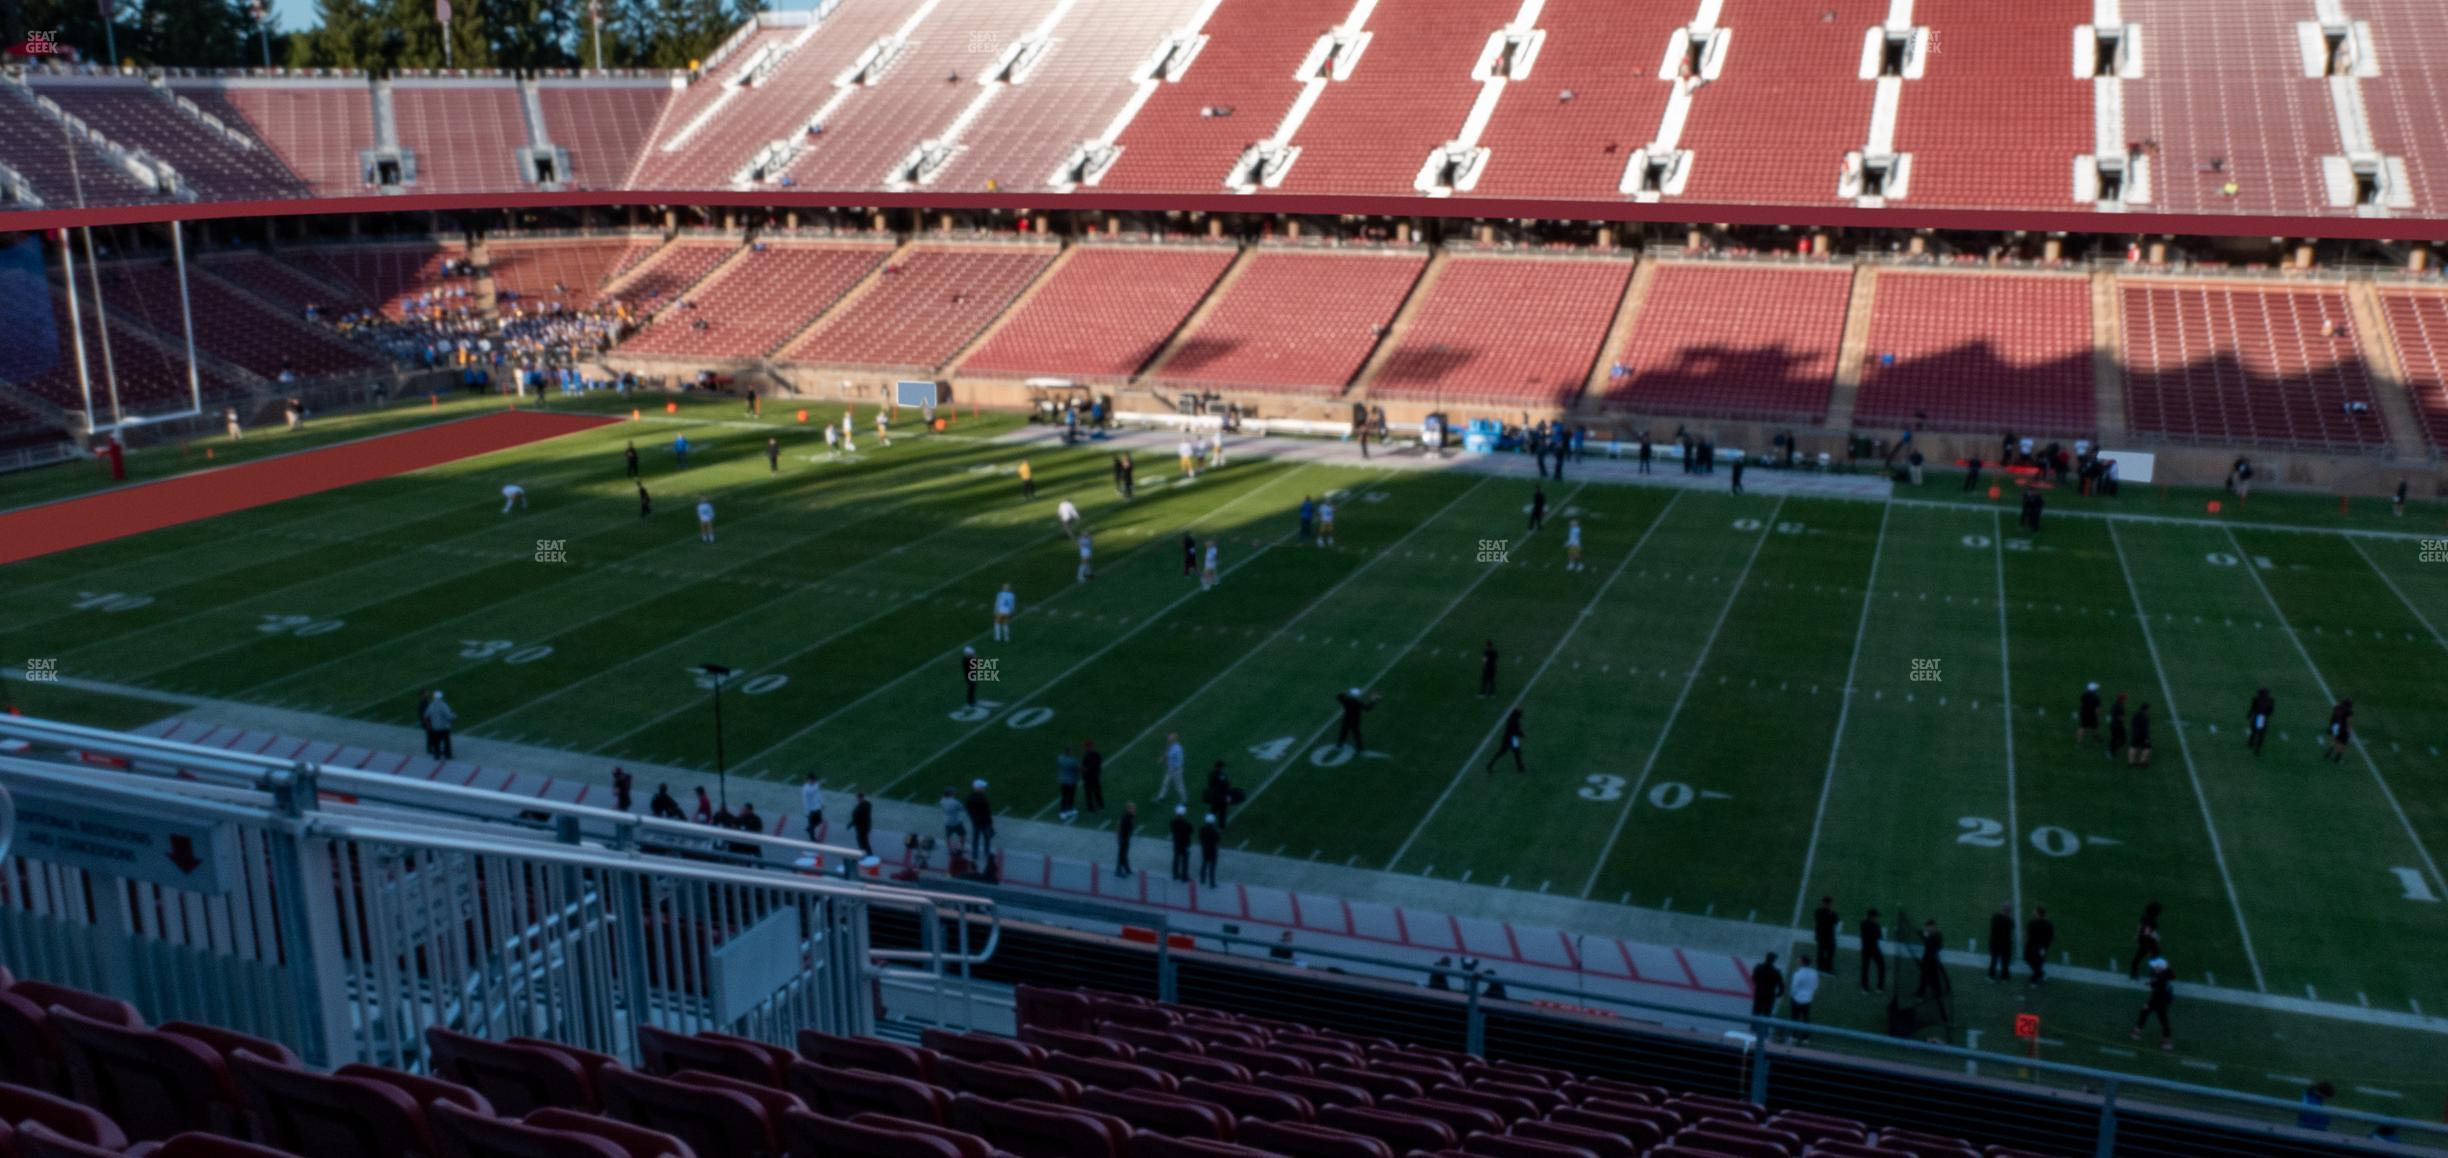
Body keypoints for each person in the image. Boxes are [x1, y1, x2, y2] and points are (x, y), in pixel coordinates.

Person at [2133, 956, 2175, 1049]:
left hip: (2161, 1001)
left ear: (2160, 968)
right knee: (2147, 1013)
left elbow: (2157, 992)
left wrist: (2149, 1003)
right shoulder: (2163, 975)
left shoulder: (2162, 979)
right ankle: (2137, 1030)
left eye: (2156, 966)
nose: (2153, 967)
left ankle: (2167, 1041)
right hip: (2162, 999)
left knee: (2161, 1018)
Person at [1335, 688, 1376, 753]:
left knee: (1343, 733)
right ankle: (1361, 748)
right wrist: (1373, 700)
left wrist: (1344, 692)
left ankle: (1339, 745)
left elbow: (1338, 697)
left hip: (1346, 720)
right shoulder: (1358, 703)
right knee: (1356, 735)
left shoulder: (1346, 701)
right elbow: (1368, 708)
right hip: (1355, 721)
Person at [1485, 708, 1526, 773]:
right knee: (1515, 752)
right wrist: (1522, 734)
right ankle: (1520, 767)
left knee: (1504, 752)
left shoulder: (1511, 720)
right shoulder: (1515, 721)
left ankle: (1490, 764)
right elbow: (1516, 731)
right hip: (1512, 739)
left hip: (1508, 738)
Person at [1788, 957, 1819, 1040]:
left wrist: (1792, 995)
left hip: (1797, 999)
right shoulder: (1814, 973)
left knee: (1794, 1017)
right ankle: (1806, 1037)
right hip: (1808, 999)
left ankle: (1793, 1035)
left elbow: (1794, 988)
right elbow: (1815, 986)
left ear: (1802, 963)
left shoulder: (1798, 974)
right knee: (1806, 1018)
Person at [965, 780, 995, 865]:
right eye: (982, 787)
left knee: (975, 839)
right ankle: (986, 854)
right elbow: (987, 812)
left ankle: (975, 855)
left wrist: (973, 818)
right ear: (978, 788)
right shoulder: (983, 798)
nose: (984, 789)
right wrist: (991, 824)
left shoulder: (970, 797)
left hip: (975, 822)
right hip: (985, 822)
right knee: (987, 839)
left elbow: (968, 810)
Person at [1914, 918, 1946, 999]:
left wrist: (1925, 935)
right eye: (1926, 927)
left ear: (1933, 926)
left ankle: (1935, 992)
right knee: (1926, 976)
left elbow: (1930, 944)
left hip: (1932, 960)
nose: (1927, 929)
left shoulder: (1937, 935)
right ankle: (1922, 992)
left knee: (1932, 977)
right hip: (1928, 959)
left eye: (1928, 927)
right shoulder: (1932, 934)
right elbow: (1922, 935)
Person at [2130, 901, 2162, 979]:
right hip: (2147, 940)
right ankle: (2152, 972)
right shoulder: (2151, 919)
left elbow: (2140, 926)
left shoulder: (2144, 916)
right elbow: (2147, 931)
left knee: (2145, 954)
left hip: (2144, 939)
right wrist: (2156, 936)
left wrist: (2137, 935)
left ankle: (2136, 971)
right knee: (2149, 954)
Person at [2024, 905, 2054, 984]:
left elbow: (2029, 933)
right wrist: (2045, 947)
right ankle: (2039, 975)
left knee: (2029, 959)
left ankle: (2035, 978)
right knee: (2038, 962)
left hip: (2032, 945)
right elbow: (2050, 937)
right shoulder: (2048, 924)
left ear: (2037, 913)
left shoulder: (2032, 923)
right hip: (2042, 947)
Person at [423, 690, 457, 759]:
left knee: (436, 742)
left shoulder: (431, 705)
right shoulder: (443, 705)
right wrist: (454, 716)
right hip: (444, 727)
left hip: (435, 727)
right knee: (446, 742)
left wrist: (428, 725)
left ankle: (437, 755)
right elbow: (449, 716)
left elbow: (426, 715)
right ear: (441, 697)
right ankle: (448, 755)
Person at [1750, 953, 1785, 1019]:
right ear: (1774, 960)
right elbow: (1781, 986)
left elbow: (1754, 979)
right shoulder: (1776, 972)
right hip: (1770, 995)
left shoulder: (1758, 968)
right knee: (1766, 1014)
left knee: (1756, 1013)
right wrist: (1778, 994)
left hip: (1759, 993)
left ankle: (1753, 1028)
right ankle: (1764, 1028)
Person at [1987, 905, 2015, 981]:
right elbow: (2012, 927)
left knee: (1994, 959)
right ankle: (2004, 976)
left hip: (1995, 942)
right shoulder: (2009, 920)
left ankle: (1991, 975)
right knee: (2004, 960)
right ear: (2009, 912)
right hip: (2005, 944)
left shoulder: (1995, 916)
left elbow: (1992, 928)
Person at [1813, 896, 1839, 972]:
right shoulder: (1819, 912)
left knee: (1828, 953)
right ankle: (1823, 967)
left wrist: (1831, 913)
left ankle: (1826, 967)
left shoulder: (1826, 912)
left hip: (1827, 936)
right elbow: (1822, 921)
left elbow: (1836, 921)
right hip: (1825, 935)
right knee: (1822, 953)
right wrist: (1830, 913)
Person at [1159, 734, 1188, 802]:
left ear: (1173, 740)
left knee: (1179, 785)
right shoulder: (1173, 746)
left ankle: (1184, 799)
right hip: (1172, 769)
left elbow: (1167, 756)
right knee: (1165, 782)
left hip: (1176, 770)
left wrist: (1161, 759)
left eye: (1169, 740)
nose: (1168, 741)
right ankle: (1161, 797)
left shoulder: (1176, 749)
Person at [1056, 746, 1081, 821]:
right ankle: (1068, 809)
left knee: (1064, 796)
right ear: (1069, 752)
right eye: (1071, 751)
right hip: (1071, 781)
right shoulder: (1072, 761)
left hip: (1063, 781)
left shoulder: (1060, 758)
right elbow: (1077, 769)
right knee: (1070, 796)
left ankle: (1064, 811)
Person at [2247, 687, 2274, 755]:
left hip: (2259, 717)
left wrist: (2250, 715)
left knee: (2256, 731)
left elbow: (2253, 708)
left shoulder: (2257, 699)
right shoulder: (2270, 700)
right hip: (2263, 717)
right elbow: (2270, 712)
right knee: (2259, 733)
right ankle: (2256, 746)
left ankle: (2253, 744)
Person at [1169, 805, 1193, 881]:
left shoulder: (1173, 822)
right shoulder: (1186, 824)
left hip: (1176, 842)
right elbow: (1191, 830)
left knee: (1176, 858)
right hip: (1184, 843)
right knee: (1185, 860)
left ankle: (1175, 874)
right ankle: (1184, 876)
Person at [1197, 813, 1222, 886]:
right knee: (1212, 866)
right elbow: (1218, 840)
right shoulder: (1215, 831)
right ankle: (1212, 882)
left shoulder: (1202, 829)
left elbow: (1200, 838)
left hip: (1205, 848)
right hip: (1212, 849)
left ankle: (1202, 879)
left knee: (1204, 863)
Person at [940, 787, 967, 852]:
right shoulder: (955, 802)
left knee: (948, 836)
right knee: (962, 834)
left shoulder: (942, 801)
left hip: (947, 822)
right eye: (953, 792)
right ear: (951, 794)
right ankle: (961, 848)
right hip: (956, 822)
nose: (955, 793)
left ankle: (950, 849)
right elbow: (963, 808)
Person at [2327, 698, 2354, 763]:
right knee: (2342, 743)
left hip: (2333, 726)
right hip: (2342, 728)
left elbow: (2333, 716)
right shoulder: (2348, 712)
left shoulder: (2337, 707)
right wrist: (2349, 731)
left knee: (2335, 740)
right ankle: (2337, 758)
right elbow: (2349, 721)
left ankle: (2331, 749)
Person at [1081, 739, 1105, 812]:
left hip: (1088, 777)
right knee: (1097, 792)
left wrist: (1084, 770)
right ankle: (1101, 806)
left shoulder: (1086, 755)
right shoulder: (1097, 754)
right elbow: (1099, 764)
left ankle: (1091, 809)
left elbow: (1085, 767)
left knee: (1089, 794)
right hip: (1095, 776)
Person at [801, 774, 826, 841]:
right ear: (809, 780)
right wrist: (818, 785)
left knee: (819, 821)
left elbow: (818, 794)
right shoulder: (806, 788)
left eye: (815, 780)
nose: (814, 782)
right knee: (812, 823)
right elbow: (811, 792)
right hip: (810, 809)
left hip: (817, 807)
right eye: (813, 780)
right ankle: (813, 838)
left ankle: (809, 828)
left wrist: (822, 803)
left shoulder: (815, 786)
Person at [1115, 802, 1136, 878]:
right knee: (1122, 855)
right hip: (1123, 839)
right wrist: (1118, 838)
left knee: (1124, 855)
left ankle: (1127, 869)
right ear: (1128, 809)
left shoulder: (1129, 816)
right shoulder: (1125, 817)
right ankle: (1118, 871)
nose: (1134, 810)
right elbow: (1118, 826)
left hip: (1125, 838)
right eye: (1133, 809)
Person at [2128, 702, 2153, 766]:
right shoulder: (2146, 717)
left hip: (2135, 734)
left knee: (2133, 747)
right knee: (2147, 748)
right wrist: (2146, 738)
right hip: (2143, 735)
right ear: (2146, 709)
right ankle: (2142, 762)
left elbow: (2132, 723)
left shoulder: (2135, 714)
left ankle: (2131, 762)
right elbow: (2145, 728)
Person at [2106, 692, 2128, 761]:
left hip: (2113, 724)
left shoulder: (2114, 705)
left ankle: (2112, 750)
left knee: (2115, 738)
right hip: (2117, 725)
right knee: (2120, 739)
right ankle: (2111, 751)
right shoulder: (2121, 707)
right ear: (2122, 699)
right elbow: (2121, 718)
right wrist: (2123, 718)